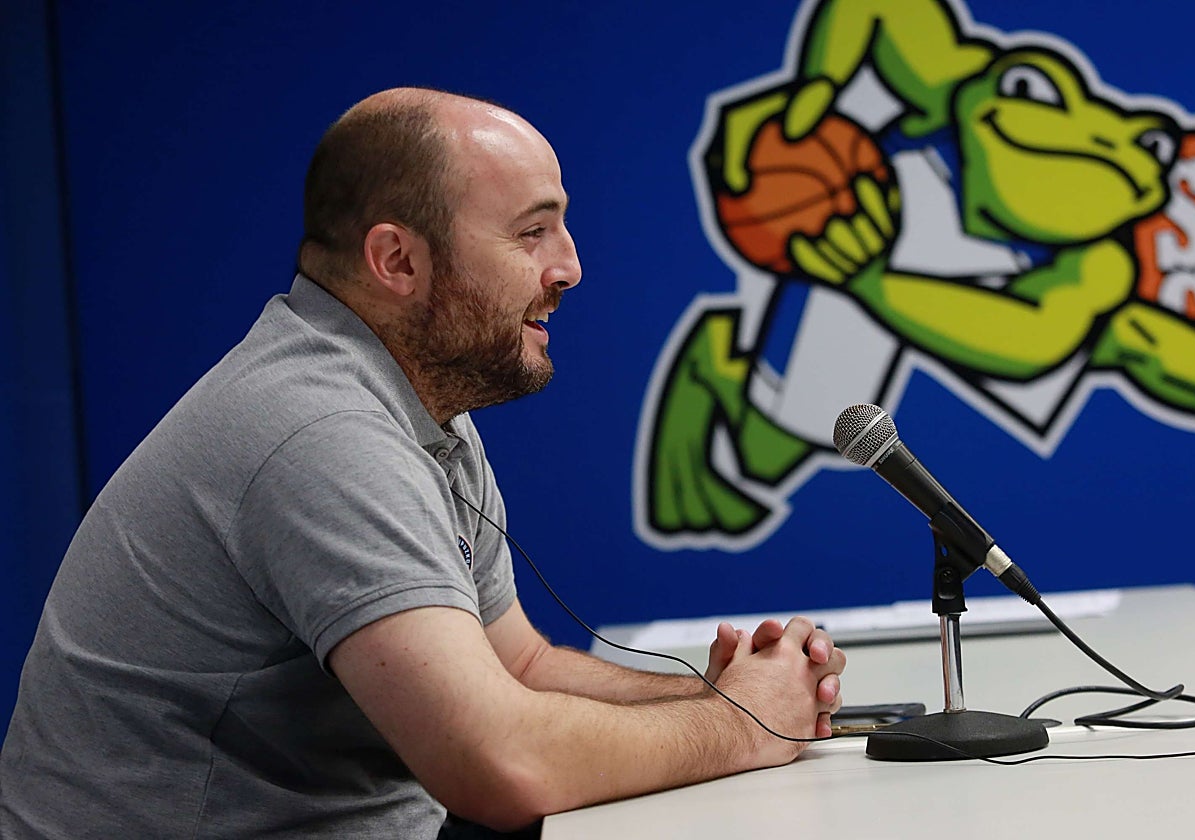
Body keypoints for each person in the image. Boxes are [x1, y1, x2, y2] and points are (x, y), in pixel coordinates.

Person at [0, 88, 846, 838]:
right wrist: (743, 727)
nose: (571, 267)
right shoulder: (320, 431)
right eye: (532, 231)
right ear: (397, 261)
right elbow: (500, 766)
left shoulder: (411, 395)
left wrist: (718, 693)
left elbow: (520, 668)